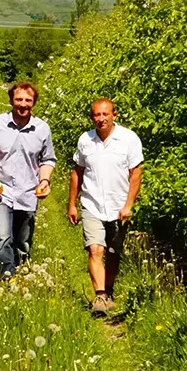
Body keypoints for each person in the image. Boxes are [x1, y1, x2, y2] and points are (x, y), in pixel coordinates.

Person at [66, 98, 142, 313]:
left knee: (113, 252)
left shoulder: (128, 139)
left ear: (114, 115)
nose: (101, 119)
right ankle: (99, 298)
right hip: (92, 204)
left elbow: (136, 173)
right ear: (92, 117)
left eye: (105, 114)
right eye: (97, 115)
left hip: (119, 206)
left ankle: (109, 291)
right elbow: (77, 172)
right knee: (95, 249)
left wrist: (129, 204)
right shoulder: (85, 140)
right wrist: (72, 204)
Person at [0, 82, 56, 279]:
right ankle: (7, 276)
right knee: (2, 236)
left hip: (28, 192)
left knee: (22, 241)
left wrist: (44, 181)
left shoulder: (42, 129)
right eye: (19, 99)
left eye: (28, 100)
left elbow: (48, 159)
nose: (23, 104)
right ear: (11, 100)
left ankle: (22, 273)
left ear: (33, 103)